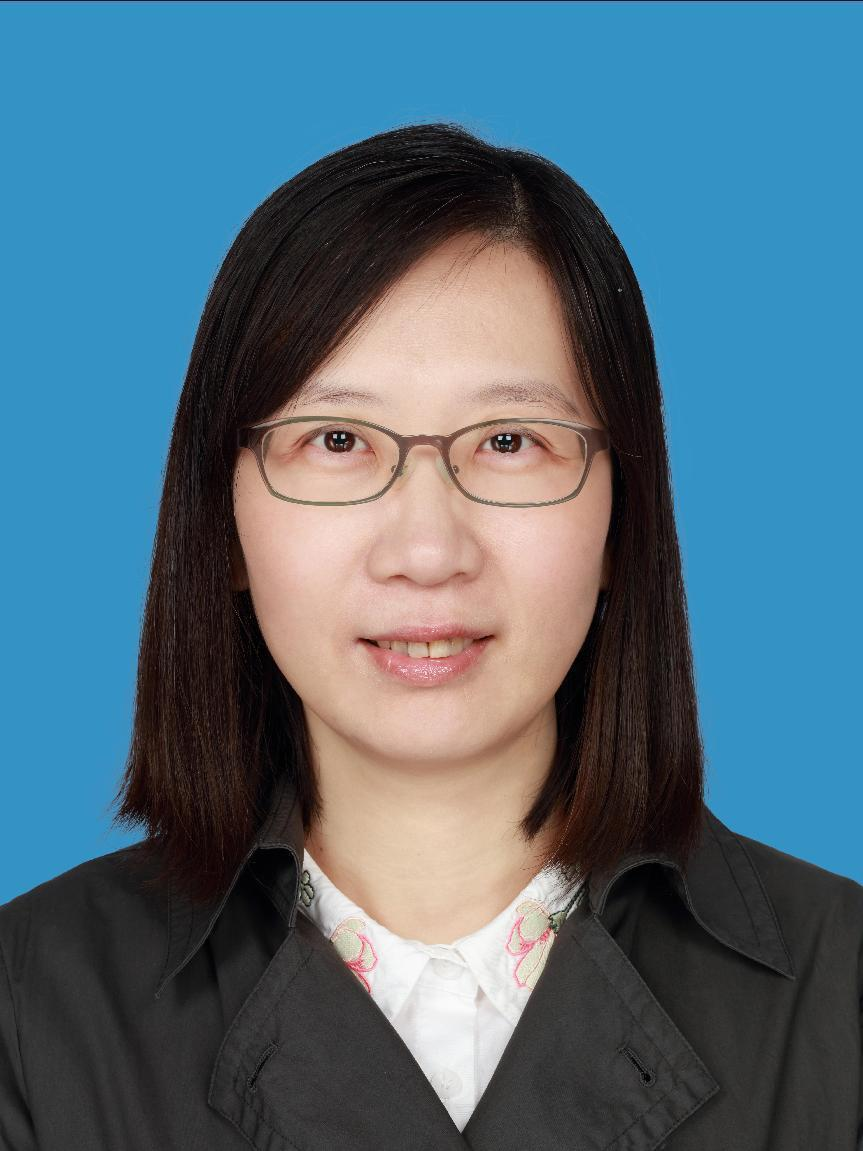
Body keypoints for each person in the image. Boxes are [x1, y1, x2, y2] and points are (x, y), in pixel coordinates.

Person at [0, 121, 860, 1150]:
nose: (425, 549)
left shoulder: (841, 992)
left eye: (508, 440)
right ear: (221, 523)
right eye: (336, 440)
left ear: (620, 517)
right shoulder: (29, 1007)